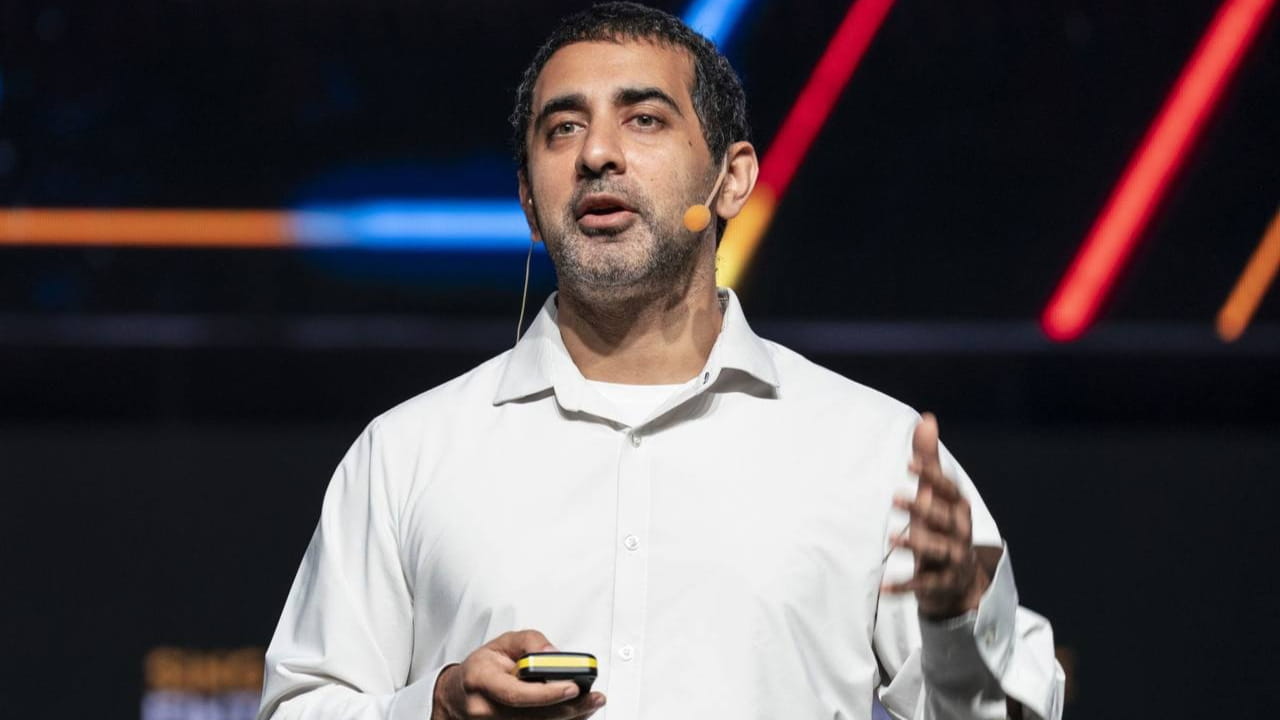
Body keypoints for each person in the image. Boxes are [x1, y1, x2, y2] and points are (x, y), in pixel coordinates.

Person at [257, 3, 1065, 719]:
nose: (596, 153)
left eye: (643, 119)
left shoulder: (874, 452)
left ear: (731, 179)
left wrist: (960, 621)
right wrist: (435, 710)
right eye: (562, 128)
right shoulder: (407, 454)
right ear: (530, 202)